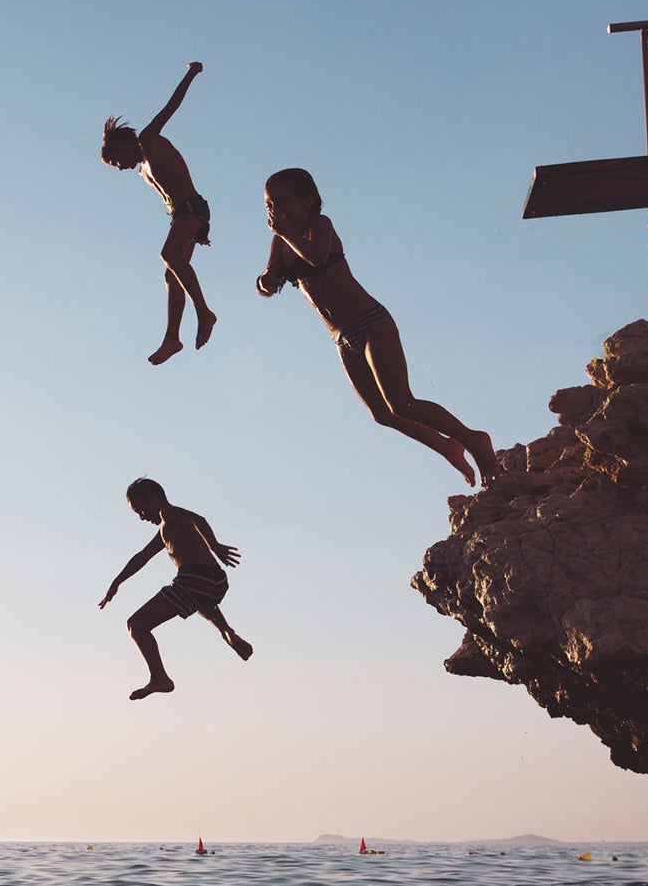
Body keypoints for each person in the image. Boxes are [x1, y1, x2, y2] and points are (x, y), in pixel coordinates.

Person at [255, 168, 499, 487]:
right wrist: (266, 281)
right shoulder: (281, 242)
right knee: (382, 414)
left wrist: (286, 233)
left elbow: (315, 258)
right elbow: (268, 280)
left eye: (282, 203)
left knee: (402, 403)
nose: (275, 212)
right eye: (269, 206)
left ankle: (474, 439)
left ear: (308, 201)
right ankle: (447, 446)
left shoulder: (320, 227)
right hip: (342, 339)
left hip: (371, 323)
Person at [101, 62, 217, 363]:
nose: (122, 168)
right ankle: (172, 338)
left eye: (118, 161)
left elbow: (171, 106)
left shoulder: (148, 141)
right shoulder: (144, 170)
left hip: (192, 208)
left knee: (170, 256)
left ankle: (204, 313)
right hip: (185, 216)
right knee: (172, 274)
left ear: (126, 144)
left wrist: (191, 73)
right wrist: (195, 233)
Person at [99, 477, 253, 700]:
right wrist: (117, 582)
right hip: (214, 582)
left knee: (136, 624)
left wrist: (215, 545)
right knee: (194, 598)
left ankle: (159, 678)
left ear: (153, 499)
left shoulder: (168, 514)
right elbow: (142, 557)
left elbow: (198, 520)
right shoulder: (165, 528)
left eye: (141, 510)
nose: (142, 517)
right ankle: (227, 631)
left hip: (195, 578)